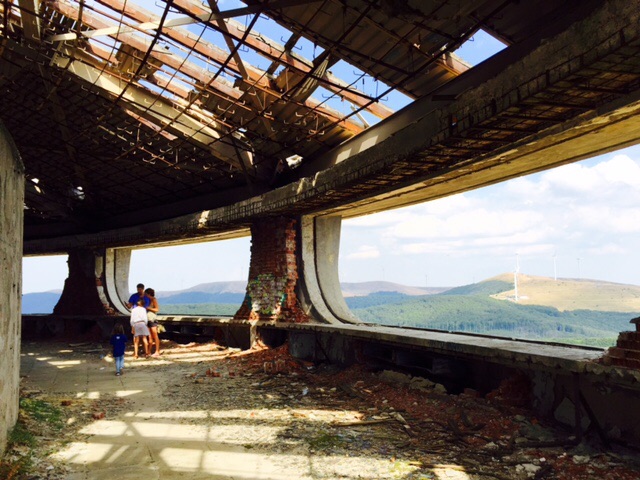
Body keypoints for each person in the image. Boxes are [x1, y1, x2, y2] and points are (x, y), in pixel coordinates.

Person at [145, 287, 162, 357]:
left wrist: (148, 308)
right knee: (149, 336)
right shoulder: (148, 300)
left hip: (152, 319)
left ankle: (157, 351)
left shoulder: (153, 300)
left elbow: (157, 309)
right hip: (148, 319)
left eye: (146, 294)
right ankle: (149, 351)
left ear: (149, 294)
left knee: (155, 335)